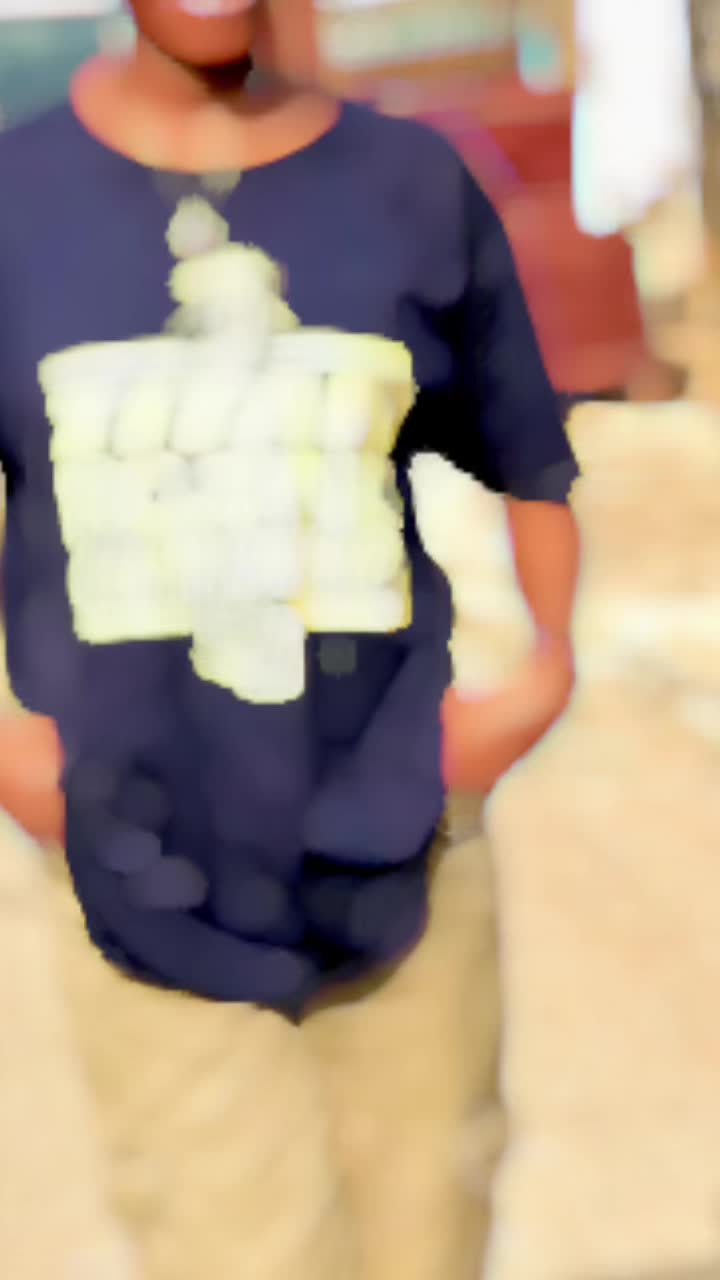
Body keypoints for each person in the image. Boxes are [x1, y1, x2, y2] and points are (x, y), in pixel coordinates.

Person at [0, 1, 580, 1276]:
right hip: (137, 846)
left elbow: (529, 449)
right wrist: (16, 756)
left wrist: (543, 669)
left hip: (402, 832)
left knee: (426, 1228)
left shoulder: (407, 184)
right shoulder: (17, 201)